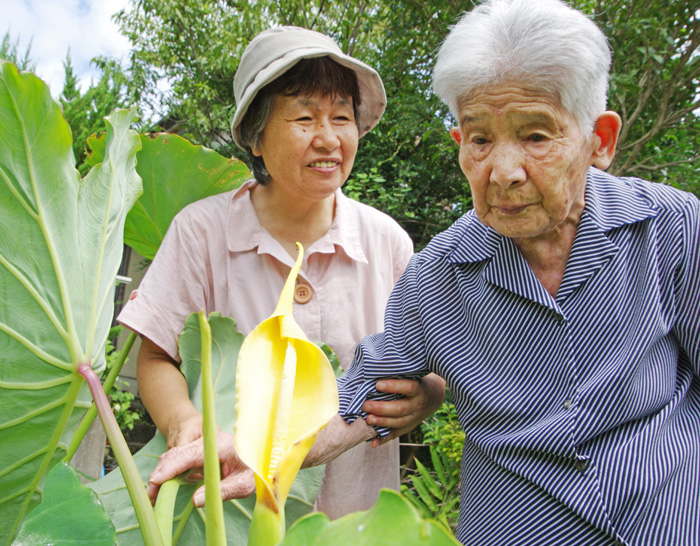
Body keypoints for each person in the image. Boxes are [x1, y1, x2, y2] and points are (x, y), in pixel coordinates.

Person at [325, 0, 699, 544]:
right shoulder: (437, 276)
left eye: (536, 136)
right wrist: (248, 452)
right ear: (460, 145)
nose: (502, 173)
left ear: (601, 141)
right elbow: (360, 396)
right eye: (480, 139)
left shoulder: (672, 227)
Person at [119, 26, 445, 519]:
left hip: (348, 519)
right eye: (304, 117)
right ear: (255, 136)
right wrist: (185, 421)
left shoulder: (388, 242)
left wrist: (427, 397)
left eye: (341, 117)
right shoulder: (202, 231)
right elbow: (155, 356)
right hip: (227, 516)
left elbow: (434, 363)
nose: (329, 139)